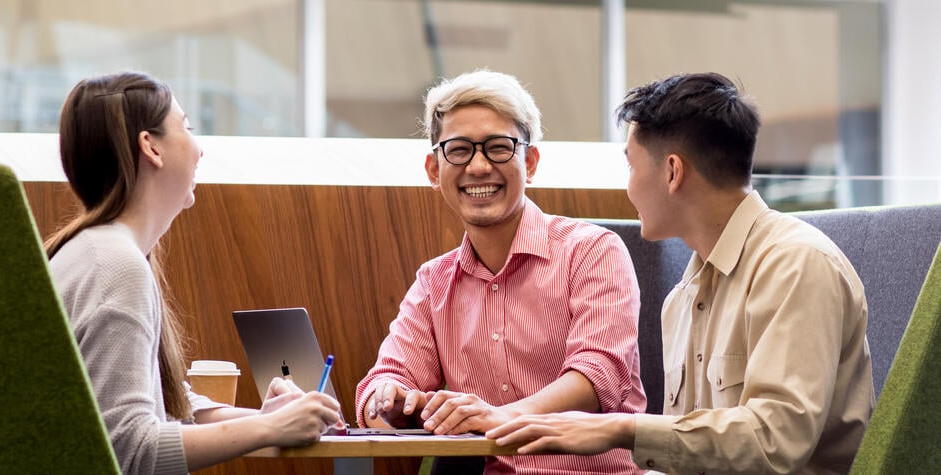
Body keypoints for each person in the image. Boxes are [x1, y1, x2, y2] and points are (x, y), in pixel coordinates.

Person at [487, 72, 875, 474]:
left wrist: (621, 429)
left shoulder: (797, 263)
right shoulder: (683, 295)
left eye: (631, 166)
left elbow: (776, 441)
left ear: (672, 172)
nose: (629, 188)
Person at [46, 71, 344, 474]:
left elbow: (165, 406)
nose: (199, 149)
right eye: (186, 126)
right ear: (150, 147)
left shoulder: (91, 251)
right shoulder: (116, 266)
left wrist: (265, 418)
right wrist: (269, 428)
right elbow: (130, 449)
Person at [354, 69, 645, 474]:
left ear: (530, 161)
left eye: (497, 148)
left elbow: (597, 377)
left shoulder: (592, 251)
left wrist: (498, 416)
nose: (477, 167)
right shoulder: (434, 282)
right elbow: (378, 388)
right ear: (434, 171)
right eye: (458, 149)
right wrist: (391, 402)